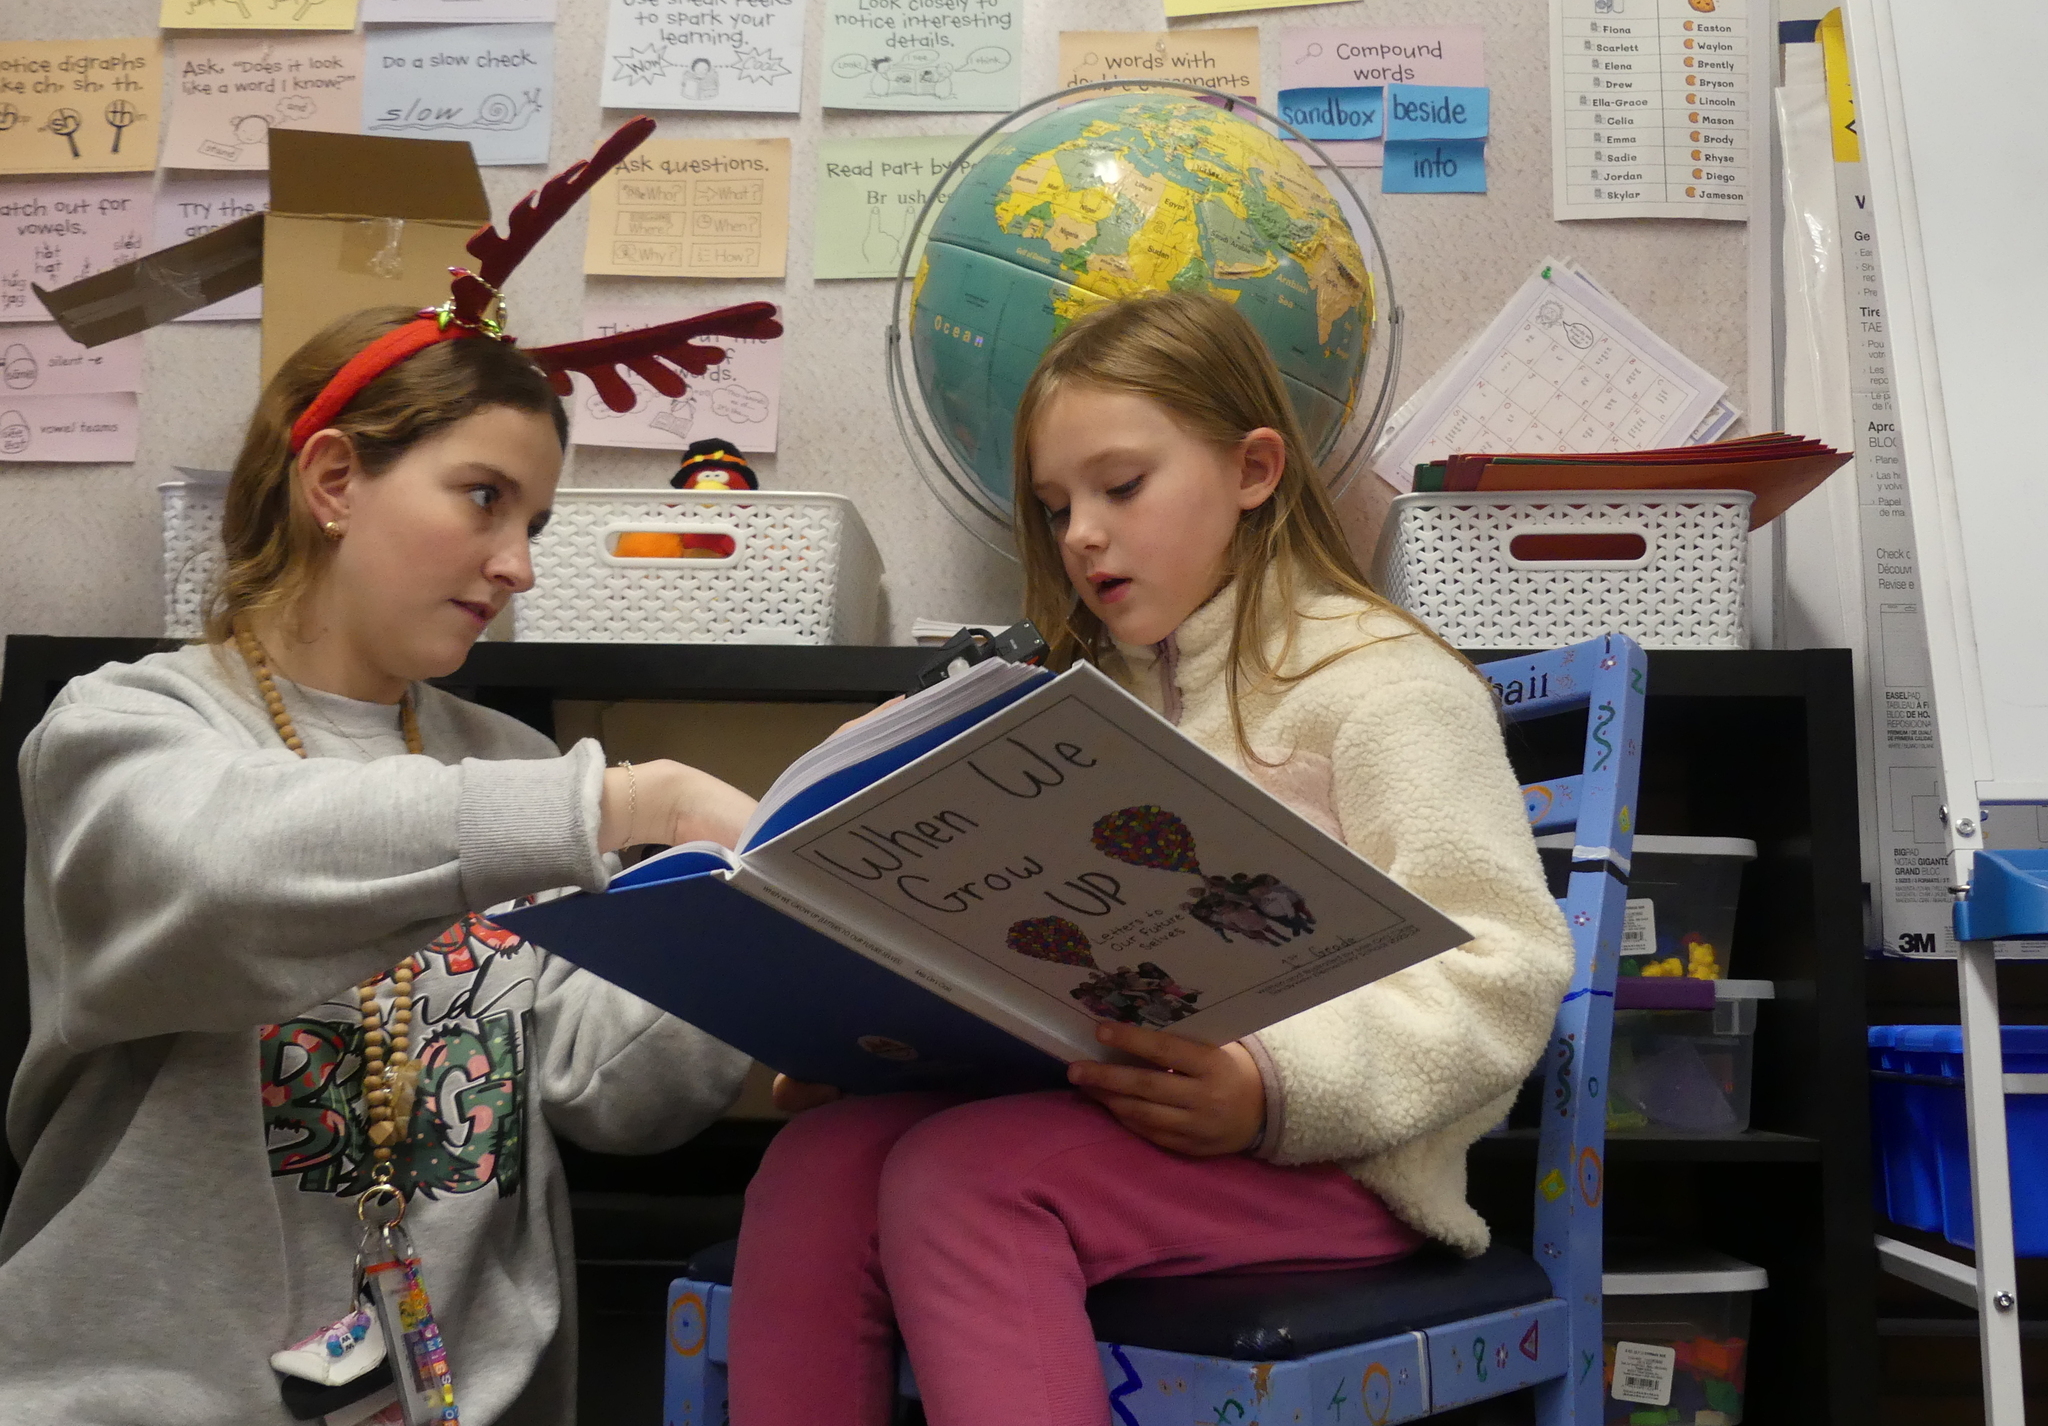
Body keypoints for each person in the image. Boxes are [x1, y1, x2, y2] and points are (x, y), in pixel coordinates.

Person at [726, 290, 1574, 1426]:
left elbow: (1503, 972)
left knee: (965, 1180)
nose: (1080, 533)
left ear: (1253, 469)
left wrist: (1272, 1087)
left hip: (1341, 1166)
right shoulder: (1075, 716)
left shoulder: (1385, 687)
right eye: (1055, 506)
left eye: (1120, 486)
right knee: (818, 1163)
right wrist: (872, 1047)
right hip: (1116, 1127)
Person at [2, 305, 760, 1424]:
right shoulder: (120, 728)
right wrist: (632, 801)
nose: (517, 566)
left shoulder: (511, 763)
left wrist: (750, 904)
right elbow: (221, 873)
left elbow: (600, 1088)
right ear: (334, 480)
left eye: (534, 523)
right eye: (484, 497)